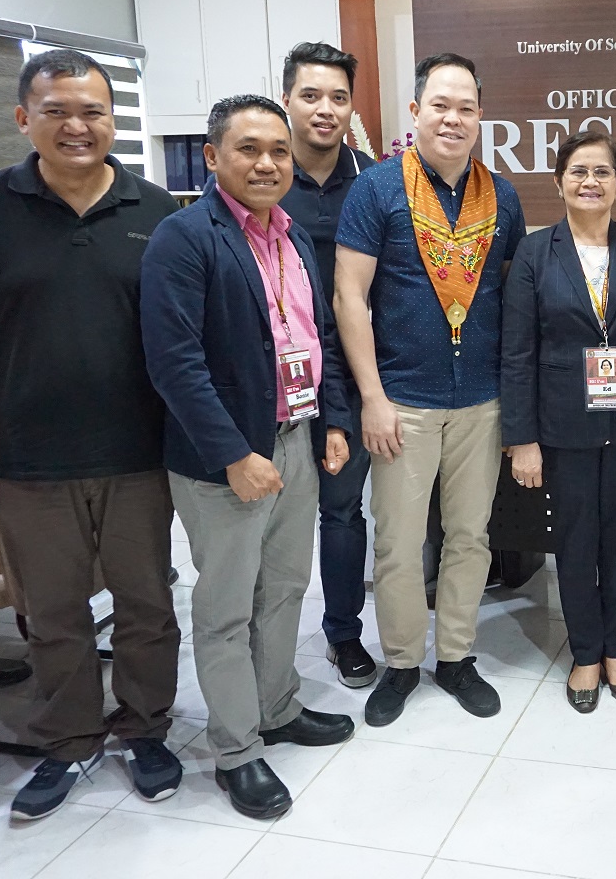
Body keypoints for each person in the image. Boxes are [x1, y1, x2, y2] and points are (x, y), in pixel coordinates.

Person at [0, 49, 183, 821]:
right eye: (57, 111)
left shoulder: (156, 211)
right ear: (23, 118)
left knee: (146, 605)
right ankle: (69, 741)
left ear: (113, 119)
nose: (77, 126)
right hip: (29, 462)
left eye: (93, 111)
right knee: (52, 613)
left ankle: (144, 730)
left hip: (140, 454)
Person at [141, 95, 355, 821]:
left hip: (295, 440)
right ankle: (236, 749)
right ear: (212, 157)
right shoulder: (184, 237)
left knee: (288, 587)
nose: (267, 163)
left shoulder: (290, 238)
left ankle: (278, 707)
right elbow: (174, 363)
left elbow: (314, 334)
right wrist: (232, 452)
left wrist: (329, 420)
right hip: (224, 460)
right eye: (249, 149)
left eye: (278, 151)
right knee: (227, 607)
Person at [335, 53, 525, 727]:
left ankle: (456, 657)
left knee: (471, 538)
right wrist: (373, 398)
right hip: (402, 404)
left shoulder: (502, 197)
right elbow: (349, 297)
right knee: (398, 542)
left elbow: (509, 300)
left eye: (466, 108)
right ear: (415, 113)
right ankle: (402, 662)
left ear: (480, 118)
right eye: (440, 105)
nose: (454, 118)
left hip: (480, 401)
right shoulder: (377, 190)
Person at [501, 130, 616, 712]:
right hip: (562, 427)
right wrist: (522, 439)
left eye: (602, 172)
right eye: (578, 171)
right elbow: (517, 352)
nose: (590, 182)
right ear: (558, 182)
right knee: (576, 540)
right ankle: (585, 652)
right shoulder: (535, 252)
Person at [275, 42, 379, 688]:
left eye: (338, 97)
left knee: (342, 511)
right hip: (273, 376)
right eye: (311, 95)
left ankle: (343, 634)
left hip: (352, 371)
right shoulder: (259, 172)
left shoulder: (372, 182)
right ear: (287, 97)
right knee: (270, 520)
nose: (325, 109)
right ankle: (268, 648)